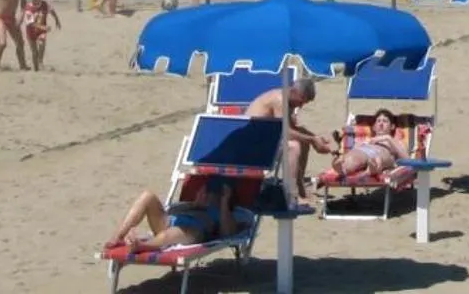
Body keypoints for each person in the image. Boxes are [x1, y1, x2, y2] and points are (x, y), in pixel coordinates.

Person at [248, 75, 335, 202]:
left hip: (266, 137)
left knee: (303, 142)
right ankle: (291, 195)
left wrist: (315, 138)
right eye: (301, 101)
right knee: (294, 147)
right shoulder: (279, 100)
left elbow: (294, 129)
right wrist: (312, 139)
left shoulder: (289, 102)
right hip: (252, 142)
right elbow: (285, 132)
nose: (301, 105)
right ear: (294, 92)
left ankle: (300, 189)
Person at [104, 179, 235, 256]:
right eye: (203, 193)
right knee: (147, 196)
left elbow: (227, 233)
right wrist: (194, 204)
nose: (204, 195)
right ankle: (118, 237)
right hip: (168, 222)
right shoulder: (188, 205)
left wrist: (224, 203)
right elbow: (170, 211)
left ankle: (142, 246)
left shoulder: (220, 213)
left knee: (174, 232)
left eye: (209, 194)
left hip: (192, 231)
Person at [330, 109, 409, 182]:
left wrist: (387, 138)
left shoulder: (395, 141)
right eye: (378, 121)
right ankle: (342, 168)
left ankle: (372, 169)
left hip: (383, 155)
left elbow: (407, 159)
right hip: (366, 152)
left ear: (392, 126)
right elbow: (356, 149)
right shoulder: (367, 140)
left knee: (379, 158)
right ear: (374, 127)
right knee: (355, 156)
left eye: (385, 121)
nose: (381, 124)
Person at [23, 0, 61, 70]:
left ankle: (40, 61)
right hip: (31, 32)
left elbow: (52, 11)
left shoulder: (45, 4)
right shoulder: (28, 8)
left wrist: (57, 20)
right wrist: (43, 27)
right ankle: (36, 68)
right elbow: (31, 23)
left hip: (41, 32)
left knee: (42, 44)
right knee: (34, 52)